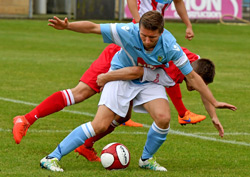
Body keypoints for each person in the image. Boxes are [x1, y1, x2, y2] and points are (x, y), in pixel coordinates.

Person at [38, 11, 236, 172]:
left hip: (148, 80)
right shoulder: (127, 31)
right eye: (144, 36)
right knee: (99, 125)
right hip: (121, 74)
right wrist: (68, 26)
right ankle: (52, 157)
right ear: (138, 29)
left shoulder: (171, 47)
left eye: (153, 37)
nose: (147, 41)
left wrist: (214, 104)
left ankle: (146, 159)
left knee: (163, 117)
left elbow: (194, 78)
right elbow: (94, 27)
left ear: (161, 33)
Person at [12, 0, 200, 147]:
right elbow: (96, 26)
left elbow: (179, 3)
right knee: (80, 93)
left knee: (123, 116)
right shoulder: (171, 50)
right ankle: (26, 119)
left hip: (138, 56)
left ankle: (86, 146)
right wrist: (137, 22)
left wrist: (189, 26)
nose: (195, 87)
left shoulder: (172, 48)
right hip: (121, 55)